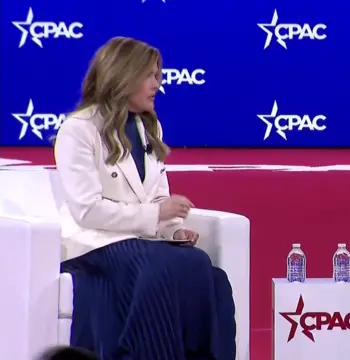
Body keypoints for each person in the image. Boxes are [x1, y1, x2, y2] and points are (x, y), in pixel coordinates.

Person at [53, 36, 236, 360]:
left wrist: (171, 230)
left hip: (137, 239)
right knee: (157, 266)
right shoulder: (78, 130)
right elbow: (87, 210)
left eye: (159, 75)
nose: (157, 85)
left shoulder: (147, 130)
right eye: (150, 76)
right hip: (93, 242)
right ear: (123, 76)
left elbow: (157, 199)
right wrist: (157, 217)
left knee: (207, 271)